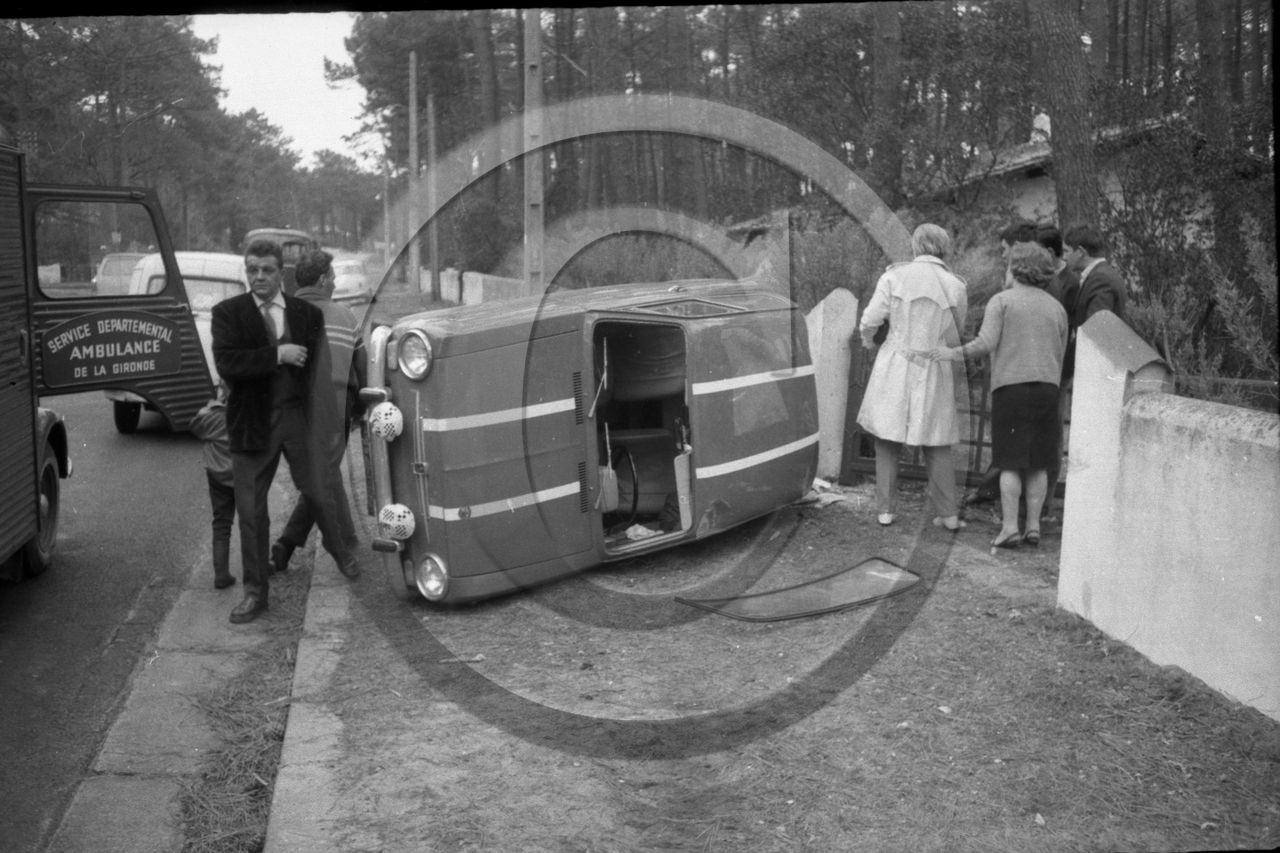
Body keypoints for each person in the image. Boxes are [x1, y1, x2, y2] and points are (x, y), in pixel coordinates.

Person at [212, 239, 360, 625]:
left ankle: (341, 550)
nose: (259, 277)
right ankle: (255, 593)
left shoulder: (305, 314)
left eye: (267, 270)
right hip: (252, 423)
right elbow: (228, 364)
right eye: (252, 270)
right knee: (250, 510)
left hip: (298, 419)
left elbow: (321, 378)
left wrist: (328, 428)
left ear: (282, 274)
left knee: (318, 489)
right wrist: (278, 354)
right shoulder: (228, 313)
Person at [931, 242, 1068, 549]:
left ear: (1016, 268)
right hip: (1047, 389)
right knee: (1038, 462)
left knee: (1010, 461)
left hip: (1012, 389)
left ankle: (1009, 528)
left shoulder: (1002, 301)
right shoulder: (1056, 307)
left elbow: (985, 342)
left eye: (1007, 265)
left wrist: (951, 353)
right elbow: (1059, 351)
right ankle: (1033, 526)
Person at [856, 223, 968, 531]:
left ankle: (885, 510)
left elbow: (871, 318)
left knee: (887, 436)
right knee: (936, 438)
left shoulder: (894, 276)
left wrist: (868, 340)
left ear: (916, 247)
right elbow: (957, 333)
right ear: (943, 249)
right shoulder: (955, 286)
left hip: (895, 362)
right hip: (933, 363)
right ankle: (949, 514)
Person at [270, 249, 367, 574]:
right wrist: (362, 409)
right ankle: (287, 544)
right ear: (324, 280)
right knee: (322, 475)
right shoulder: (345, 315)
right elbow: (361, 366)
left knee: (324, 472)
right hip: (334, 410)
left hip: (289, 410)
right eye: (334, 277)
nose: (337, 282)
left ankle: (347, 535)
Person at [1061, 224, 1127, 381]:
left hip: (1098, 372)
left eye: (1067, 251)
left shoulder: (1100, 279)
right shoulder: (1103, 274)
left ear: (1081, 252)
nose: (1064, 257)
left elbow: (1096, 332)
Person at [189, 381, 236, 590]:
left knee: (221, 524)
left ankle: (221, 574)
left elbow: (194, 427)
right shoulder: (239, 415)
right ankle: (258, 568)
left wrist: (209, 406)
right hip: (240, 475)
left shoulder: (209, 417)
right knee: (251, 520)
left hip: (217, 476)